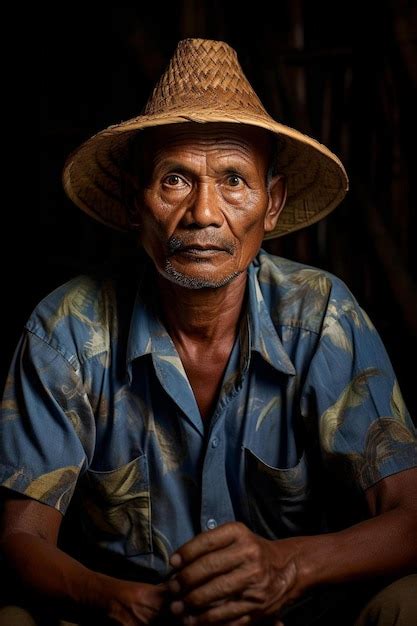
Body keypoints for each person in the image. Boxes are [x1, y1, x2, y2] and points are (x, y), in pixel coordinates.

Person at [0, 38, 416, 626]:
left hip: (292, 614)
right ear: (133, 202)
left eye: (234, 181)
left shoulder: (323, 317)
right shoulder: (65, 331)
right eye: (175, 180)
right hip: (130, 618)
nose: (203, 213)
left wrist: (289, 568)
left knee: (409, 602)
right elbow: (21, 538)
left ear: (271, 206)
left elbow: (410, 517)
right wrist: (114, 599)